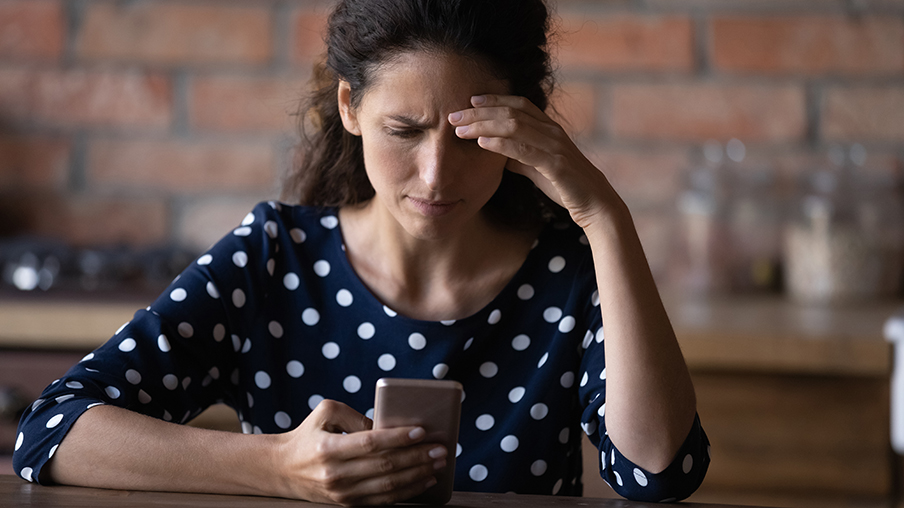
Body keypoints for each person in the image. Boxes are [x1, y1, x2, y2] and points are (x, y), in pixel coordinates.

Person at [12, 0, 709, 504]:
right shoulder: (274, 259)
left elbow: (657, 472)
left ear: (521, 121)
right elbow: (52, 432)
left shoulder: (570, 272)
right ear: (350, 107)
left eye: (469, 136)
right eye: (403, 130)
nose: (436, 176)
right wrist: (277, 466)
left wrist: (602, 214)